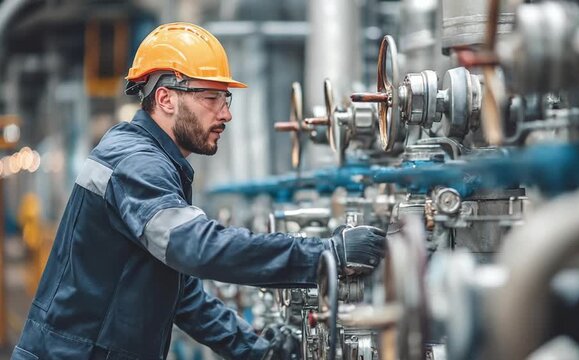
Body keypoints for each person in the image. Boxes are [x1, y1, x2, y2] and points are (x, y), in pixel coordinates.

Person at [11, 22, 386, 360]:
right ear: (165, 99)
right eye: (211, 99)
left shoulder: (153, 160)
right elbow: (196, 247)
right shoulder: (137, 162)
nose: (226, 114)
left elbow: (183, 297)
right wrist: (324, 255)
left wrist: (259, 351)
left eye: (226, 99)